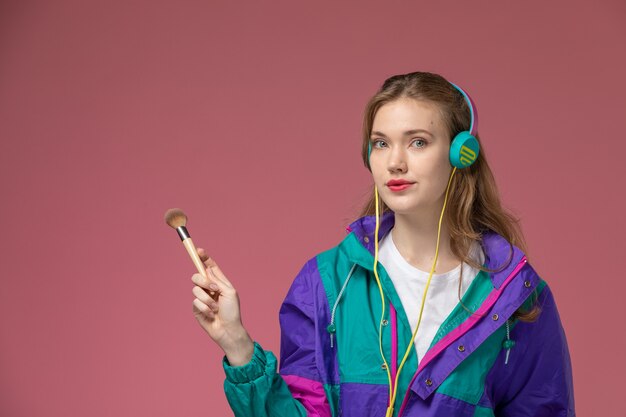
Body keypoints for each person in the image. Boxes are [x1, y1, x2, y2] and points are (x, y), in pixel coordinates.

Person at [190, 71, 575, 417]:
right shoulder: (324, 284)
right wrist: (238, 345)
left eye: (418, 142)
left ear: (461, 154)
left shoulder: (516, 297)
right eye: (380, 144)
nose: (395, 162)